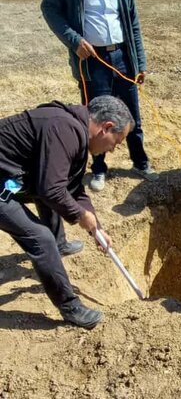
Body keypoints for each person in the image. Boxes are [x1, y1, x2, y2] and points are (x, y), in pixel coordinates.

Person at [41, 0, 158, 192]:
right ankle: (99, 168)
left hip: (122, 54)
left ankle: (140, 161)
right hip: (91, 58)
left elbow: (130, 15)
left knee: (131, 113)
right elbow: (50, 8)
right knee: (98, 117)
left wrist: (139, 61)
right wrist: (74, 40)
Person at [0, 95, 134, 328]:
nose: (113, 150)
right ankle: (70, 306)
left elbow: (71, 188)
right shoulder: (65, 130)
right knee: (40, 238)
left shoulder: (75, 131)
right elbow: (50, 189)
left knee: (51, 190)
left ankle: (59, 243)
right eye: (117, 142)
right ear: (106, 127)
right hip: (4, 180)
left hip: (11, 175)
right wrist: (81, 216)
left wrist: (97, 229)